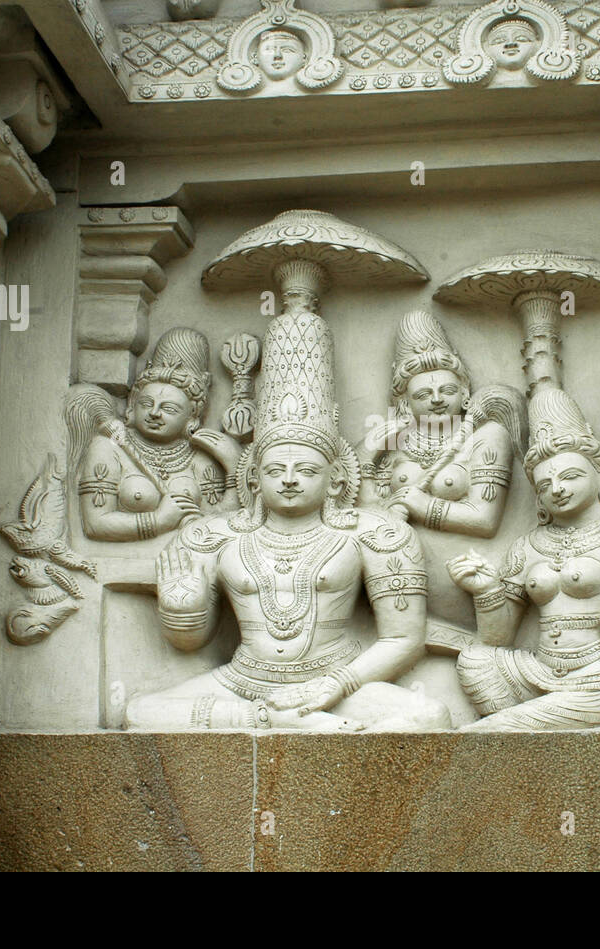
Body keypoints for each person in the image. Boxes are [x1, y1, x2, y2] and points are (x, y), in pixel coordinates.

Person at [127, 309, 449, 731]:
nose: (291, 480)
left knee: (431, 715)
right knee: (139, 712)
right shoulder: (210, 536)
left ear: (336, 481)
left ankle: (288, 717)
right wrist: (181, 611)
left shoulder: (377, 534)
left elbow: (403, 638)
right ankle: (272, 718)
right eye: (276, 470)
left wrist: (336, 684)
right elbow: (190, 643)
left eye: (307, 471)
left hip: (338, 682)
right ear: (254, 480)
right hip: (241, 683)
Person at [446, 385, 600, 730]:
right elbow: (499, 638)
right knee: (475, 659)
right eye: (544, 484)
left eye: (570, 476)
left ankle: (509, 724)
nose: (557, 488)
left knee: (494, 728)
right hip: (537, 671)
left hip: (596, 676)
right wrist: (485, 591)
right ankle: (534, 716)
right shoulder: (528, 545)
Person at [359, 309, 521, 538]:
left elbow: (485, 520)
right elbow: (364, 513)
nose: (436, 399)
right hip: (396, 559)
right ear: (405, 404)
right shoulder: (391, 440)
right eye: (423, 394)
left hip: (468, 561)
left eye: (447, 390)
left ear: (464, 392)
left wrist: (424, 507)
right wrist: (366, 456)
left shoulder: (487, 436)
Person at [68, 328, 239, 542]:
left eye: (169, 409)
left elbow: (222, 526)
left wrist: (234, 467)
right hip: (119, 566)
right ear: (131, 406)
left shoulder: (201, 457)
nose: (155, 413)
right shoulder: (109, 446)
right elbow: (95, 524)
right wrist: (157, 521)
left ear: (192, 416)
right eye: (147, 404)